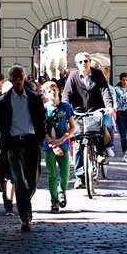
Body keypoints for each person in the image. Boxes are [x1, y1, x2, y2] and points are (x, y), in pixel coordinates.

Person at [0, 65, 45, 232]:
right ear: (9, 79)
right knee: (19, 181)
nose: (17, 81)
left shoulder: (35, 98)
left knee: (33, 180)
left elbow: (40, 119)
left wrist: (40, 137)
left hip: (31, 141)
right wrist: (4, 139)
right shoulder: (3, 101)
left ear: (24, 78)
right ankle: (25, 218)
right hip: (13, 143)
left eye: (19, 77)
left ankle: (24, 202)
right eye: (13, 78)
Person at [62, 54, 113, 180]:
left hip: (96, 108)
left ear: (90, 62)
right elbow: (67, 94)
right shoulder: (73, 77)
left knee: (103, 126)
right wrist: (65, 109)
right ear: (77, 64)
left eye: (86, 61)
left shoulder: (98, 74)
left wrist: (109, 106)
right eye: (80, 61)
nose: (84, 63)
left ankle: (101, 153)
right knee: (79, 140)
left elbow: (105, 90)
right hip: (79, 110)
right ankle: (79, 175)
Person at [42, 80, 75, 212]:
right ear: (45, 94)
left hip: (64, 145)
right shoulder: (43, 109)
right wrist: (52, 143)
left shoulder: (65, 107)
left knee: (65, 173)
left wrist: (62, 140)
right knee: (52, 174)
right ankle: (54, 200)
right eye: (49, 90)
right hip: (48, 146)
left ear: (59, 91)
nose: (53, 92)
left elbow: (72, 126)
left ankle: (62, 191)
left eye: (54, 89)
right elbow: (41, 129)